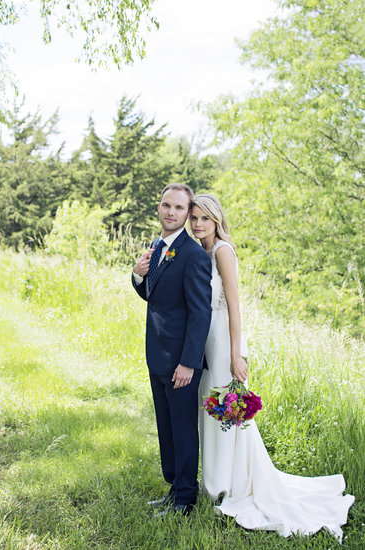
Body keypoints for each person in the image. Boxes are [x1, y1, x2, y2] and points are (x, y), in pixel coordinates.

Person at [190, 193, 354, 541]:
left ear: (217, 219)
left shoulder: (222, 251)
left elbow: (234, 306)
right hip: (204, 339)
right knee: (211, 409)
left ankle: (223, 487)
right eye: (194, 217)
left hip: (223, 341)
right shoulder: (199, 252)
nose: (198, 223)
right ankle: (219, 480)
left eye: (205, 217)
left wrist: (236, 354)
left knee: (226, 412)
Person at [132, 183, 212, 517]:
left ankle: (185, 501)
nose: (170, 212)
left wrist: (189, 363)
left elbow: (200, 313)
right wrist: (137, 277)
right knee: (166, 428)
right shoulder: (157, 245)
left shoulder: (193, 255)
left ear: (187, 212)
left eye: (179, 208)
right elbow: (155, 296)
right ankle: (173, 488)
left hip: (181, 363)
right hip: (157, 356)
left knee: (182, 429)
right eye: (166, 205)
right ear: (160, 206)